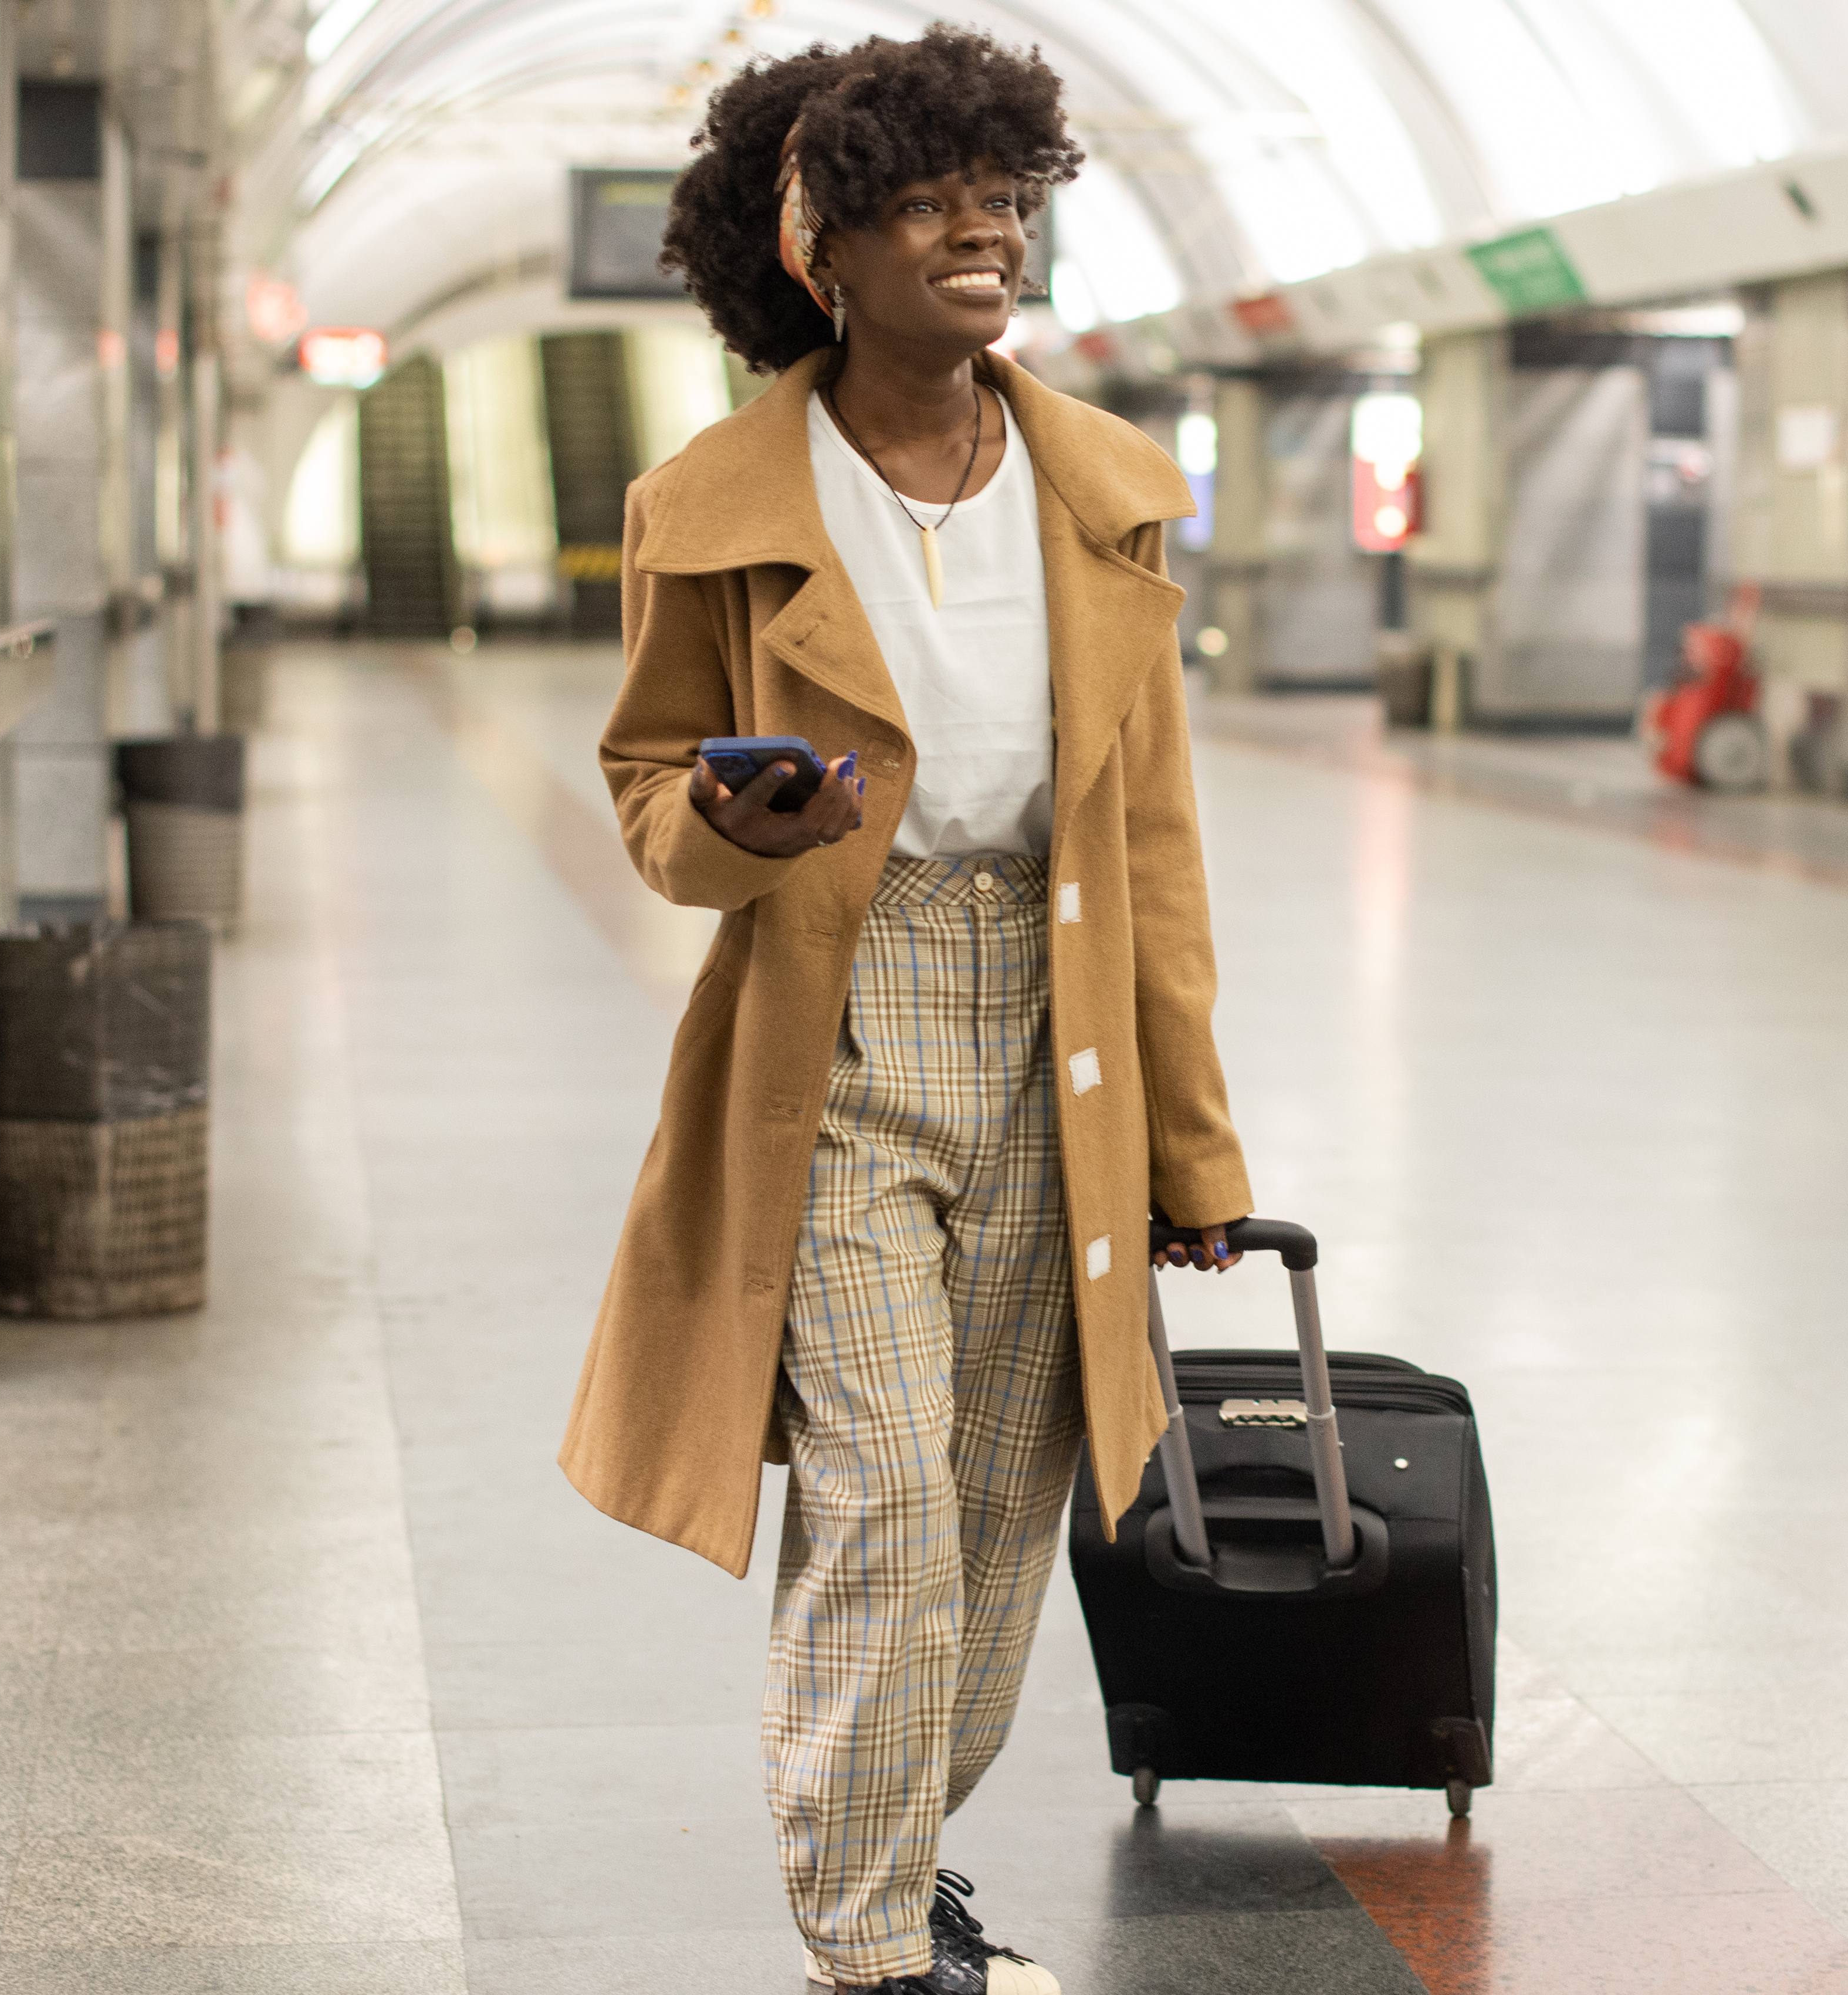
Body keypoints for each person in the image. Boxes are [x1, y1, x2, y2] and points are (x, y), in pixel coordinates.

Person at [554, 25, 1257, 1995]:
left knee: (1001, 1503)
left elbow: (1160, 850)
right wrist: (727, 820)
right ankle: (867, 1952)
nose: (983, 234)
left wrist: (1194, 1144)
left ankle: (903, 1848)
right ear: (815, 246)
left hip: (1065, 1040)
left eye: (1006, 197)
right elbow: (645, 786)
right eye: (926, 201)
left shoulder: (1100, 501)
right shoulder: (706, 502)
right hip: (837, 1040)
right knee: (877, 1496)